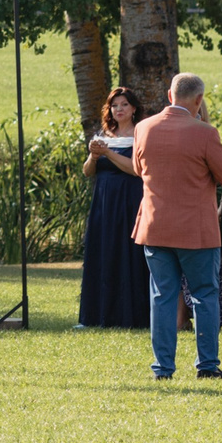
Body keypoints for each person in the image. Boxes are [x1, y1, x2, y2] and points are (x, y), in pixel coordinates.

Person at [132, 73, 222, 380]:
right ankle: (207, 365)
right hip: (196, 230)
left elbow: (140, 170)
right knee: (205, 296)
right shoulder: (204, 132)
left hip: (155, 226)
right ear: (199, 100)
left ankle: (162, 368)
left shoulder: (143, 128)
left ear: (169, 95)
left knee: (162, 297)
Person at [76, 88, 149, 329]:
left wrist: (107, 152)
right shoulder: (103, 134)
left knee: (128, 252)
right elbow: (88, 172)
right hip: (104, 202)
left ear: (133, 109)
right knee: (103, 251)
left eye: (124, 105)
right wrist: (94, 156)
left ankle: (131, 315)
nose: (119, 109)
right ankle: (97, 314)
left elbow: (135, 169)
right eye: (115, 105)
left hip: (129, 199)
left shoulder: (139, 134)